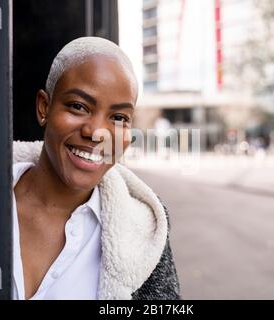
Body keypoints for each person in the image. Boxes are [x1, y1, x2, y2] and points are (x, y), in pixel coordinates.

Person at [12, 37, 180, 300]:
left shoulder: (143, 229)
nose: (97, 133)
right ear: (44, 107)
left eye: (118, 117)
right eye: (78, 106)